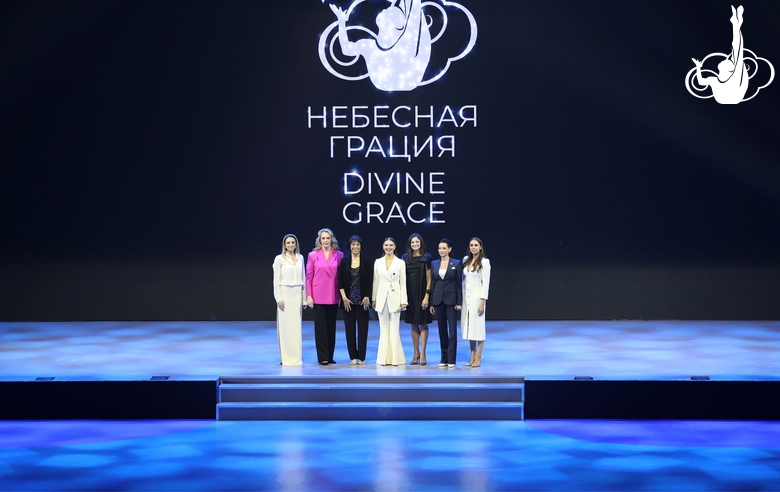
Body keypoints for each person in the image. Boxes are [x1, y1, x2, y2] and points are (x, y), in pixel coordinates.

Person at [327, 0, 431, 91]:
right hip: (395, 81)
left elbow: (413, 10)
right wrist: (341, 20)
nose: (388, 7)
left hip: (404, 79)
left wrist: (341, 21)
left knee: (414, 27)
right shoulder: (369, 45)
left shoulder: (404, 45)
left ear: (391, 24)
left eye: (391, 11)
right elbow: (346, 50)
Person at [692, 6, 748, 104]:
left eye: (726, 61)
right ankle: (736, 24)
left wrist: (698, 67)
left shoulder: (717, 80)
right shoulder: (721, 79)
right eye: (727, 61)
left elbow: (701, 82)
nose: (724, 59)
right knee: (737, 52)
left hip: (730, 96)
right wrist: (698, 67)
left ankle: (736, 23)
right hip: (731, 97)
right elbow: (701, 82)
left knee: (737, 51)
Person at [306, 228, 344, 365]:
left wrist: (341, 295)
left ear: (331, 239)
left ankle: (330, 356)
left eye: (328, 238)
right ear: (319, 240)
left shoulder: (339, 255)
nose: (326, 240)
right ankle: (323, 357)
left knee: (331, 327)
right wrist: (309, 295)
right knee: (320, 328)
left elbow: (341, 276)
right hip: (318, 295)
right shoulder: (313, 255)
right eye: (323, 238)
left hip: (333, 294)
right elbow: (308, 276)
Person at [338, 235, 373, 365]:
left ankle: (362, 357)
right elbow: (340, 281)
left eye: (358, 244)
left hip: (363, 301)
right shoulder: (344, 261)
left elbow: (370, 280)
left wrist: (367, 296)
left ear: (361, 246)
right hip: (348, 301)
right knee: (350, 329)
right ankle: (353, 356)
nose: (355, 247)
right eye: (353, 244)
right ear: (349, 246)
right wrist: (344, 298)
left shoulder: (367, 261)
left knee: (363, 329)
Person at [372, 237, 408, 366]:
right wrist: (374, 298)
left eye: (391, 245)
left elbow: (403, 282)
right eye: (386, 245)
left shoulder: (400, 263)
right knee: (384, 328)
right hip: (381, 298)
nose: (388, 247)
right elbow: (376, 281)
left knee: (394, 328)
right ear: (383, 246)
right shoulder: (378, 262)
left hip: (395, 298)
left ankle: (395, 359)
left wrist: (404, 300)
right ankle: (383, 359)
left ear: (395, 247)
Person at [273, 234, 306, 366]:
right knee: (285, 328)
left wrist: (304, 299)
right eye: (288, 243)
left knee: (296, 328)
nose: (291, 245)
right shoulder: (279, 259)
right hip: (285, 294)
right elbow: (276, 280)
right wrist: (278, 298)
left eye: (293, 242)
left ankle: (296, 358)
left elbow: (303, 277)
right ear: (284, 245)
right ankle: (286, 358)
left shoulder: (300, 258)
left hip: (297, 294)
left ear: (296, 244)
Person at [429, 239, 462, 368]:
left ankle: (452, 359)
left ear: (449, 249)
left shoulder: (457, 263)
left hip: (451, 300)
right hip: (438, 300)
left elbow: (459, 284)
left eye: (444, 248)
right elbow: (433, 283)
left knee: (452, 331)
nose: (441, 251)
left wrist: (459, 302)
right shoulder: (434, 263)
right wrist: (432, 302)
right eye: (439, 248)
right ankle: (444, 358)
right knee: (442, 330)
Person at [401, 233, 432, 365]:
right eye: (412, 242)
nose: (415, 244)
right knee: (413, 323)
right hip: (410, 295)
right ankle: (416, 352)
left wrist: (427, 296)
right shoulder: (404, 258)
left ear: (421, 244)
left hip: (422, 294)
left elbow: (429, 278)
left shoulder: (426, 257)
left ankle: (423, 353)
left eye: (417, 242)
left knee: (423, 323)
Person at [462, 237, 491, 368]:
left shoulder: (484, 262)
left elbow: (486, 284)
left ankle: (479, 354)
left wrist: (482, 302)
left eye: (475, 245)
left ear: (480, 247)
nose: (473, 247)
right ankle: (472, 353)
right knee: (469, 327)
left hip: (477, 298)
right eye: (471, 245)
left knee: (478, 327)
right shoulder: (466, 261)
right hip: (466, 298)